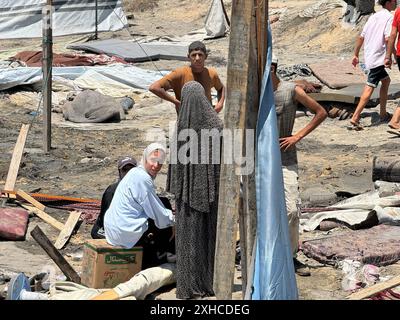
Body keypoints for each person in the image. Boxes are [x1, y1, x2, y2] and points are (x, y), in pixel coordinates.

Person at [271, 56, 327, 276]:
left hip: (285, 158)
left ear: (274, 67)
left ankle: (291, 255)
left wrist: (297, 136)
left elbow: (320, 112)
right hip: (259, 160)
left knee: (292, 209)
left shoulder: (290, 90)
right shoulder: (255, 91)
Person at [167, 81, 223, 299]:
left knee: (187, 239)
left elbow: (174, 168)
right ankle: (205, 281)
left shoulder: (180, 127)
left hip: (185, 198)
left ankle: (187, 287)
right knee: (206, 239)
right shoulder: (214, 124)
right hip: (209, 194)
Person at [104, 143, 175, 269]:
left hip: (113, 231)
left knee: (161, 211)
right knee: (164, 220)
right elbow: (157, 213)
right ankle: (161, 256)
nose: (156, 166)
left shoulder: (135, 173)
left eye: (160, 162)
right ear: (145, 157)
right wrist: (174, 222)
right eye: (153, 160)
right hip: (123, 232)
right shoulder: (142, 178)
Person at [349, 0, 396, 130]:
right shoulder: (389, 17)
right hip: (378, 58)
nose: (396, 3)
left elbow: (361, 37)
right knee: (369, 87)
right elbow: (388, 38)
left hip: (370, 56)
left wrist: (356, 55)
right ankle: (355, 117)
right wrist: (392, 55)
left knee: (386, 81)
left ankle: (382, 113)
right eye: (394, 1)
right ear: (388, 2)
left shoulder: (373, 17)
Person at [149, 41, 226, 114]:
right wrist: (176, 102)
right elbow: (154, 88)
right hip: (186, 120)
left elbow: (221, 88)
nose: (197, 58)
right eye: (193, 55)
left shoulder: (211, 74)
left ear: (205, 56)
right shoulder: (180, 73)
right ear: (188, 57)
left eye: (200, 55)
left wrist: (220, 104)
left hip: (207, 117)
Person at [91, 156, 137, 239]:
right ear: (120, 172)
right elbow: (107, 218)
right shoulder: (112, 191)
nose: (128, 173)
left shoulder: (140, 189)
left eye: (131, 169)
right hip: (106, 228)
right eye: (125, 170)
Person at [384, 2, 400, 131]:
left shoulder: (398, 12)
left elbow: (393, 35)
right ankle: (395, 120)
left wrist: (388, 56)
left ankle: (395, 119)